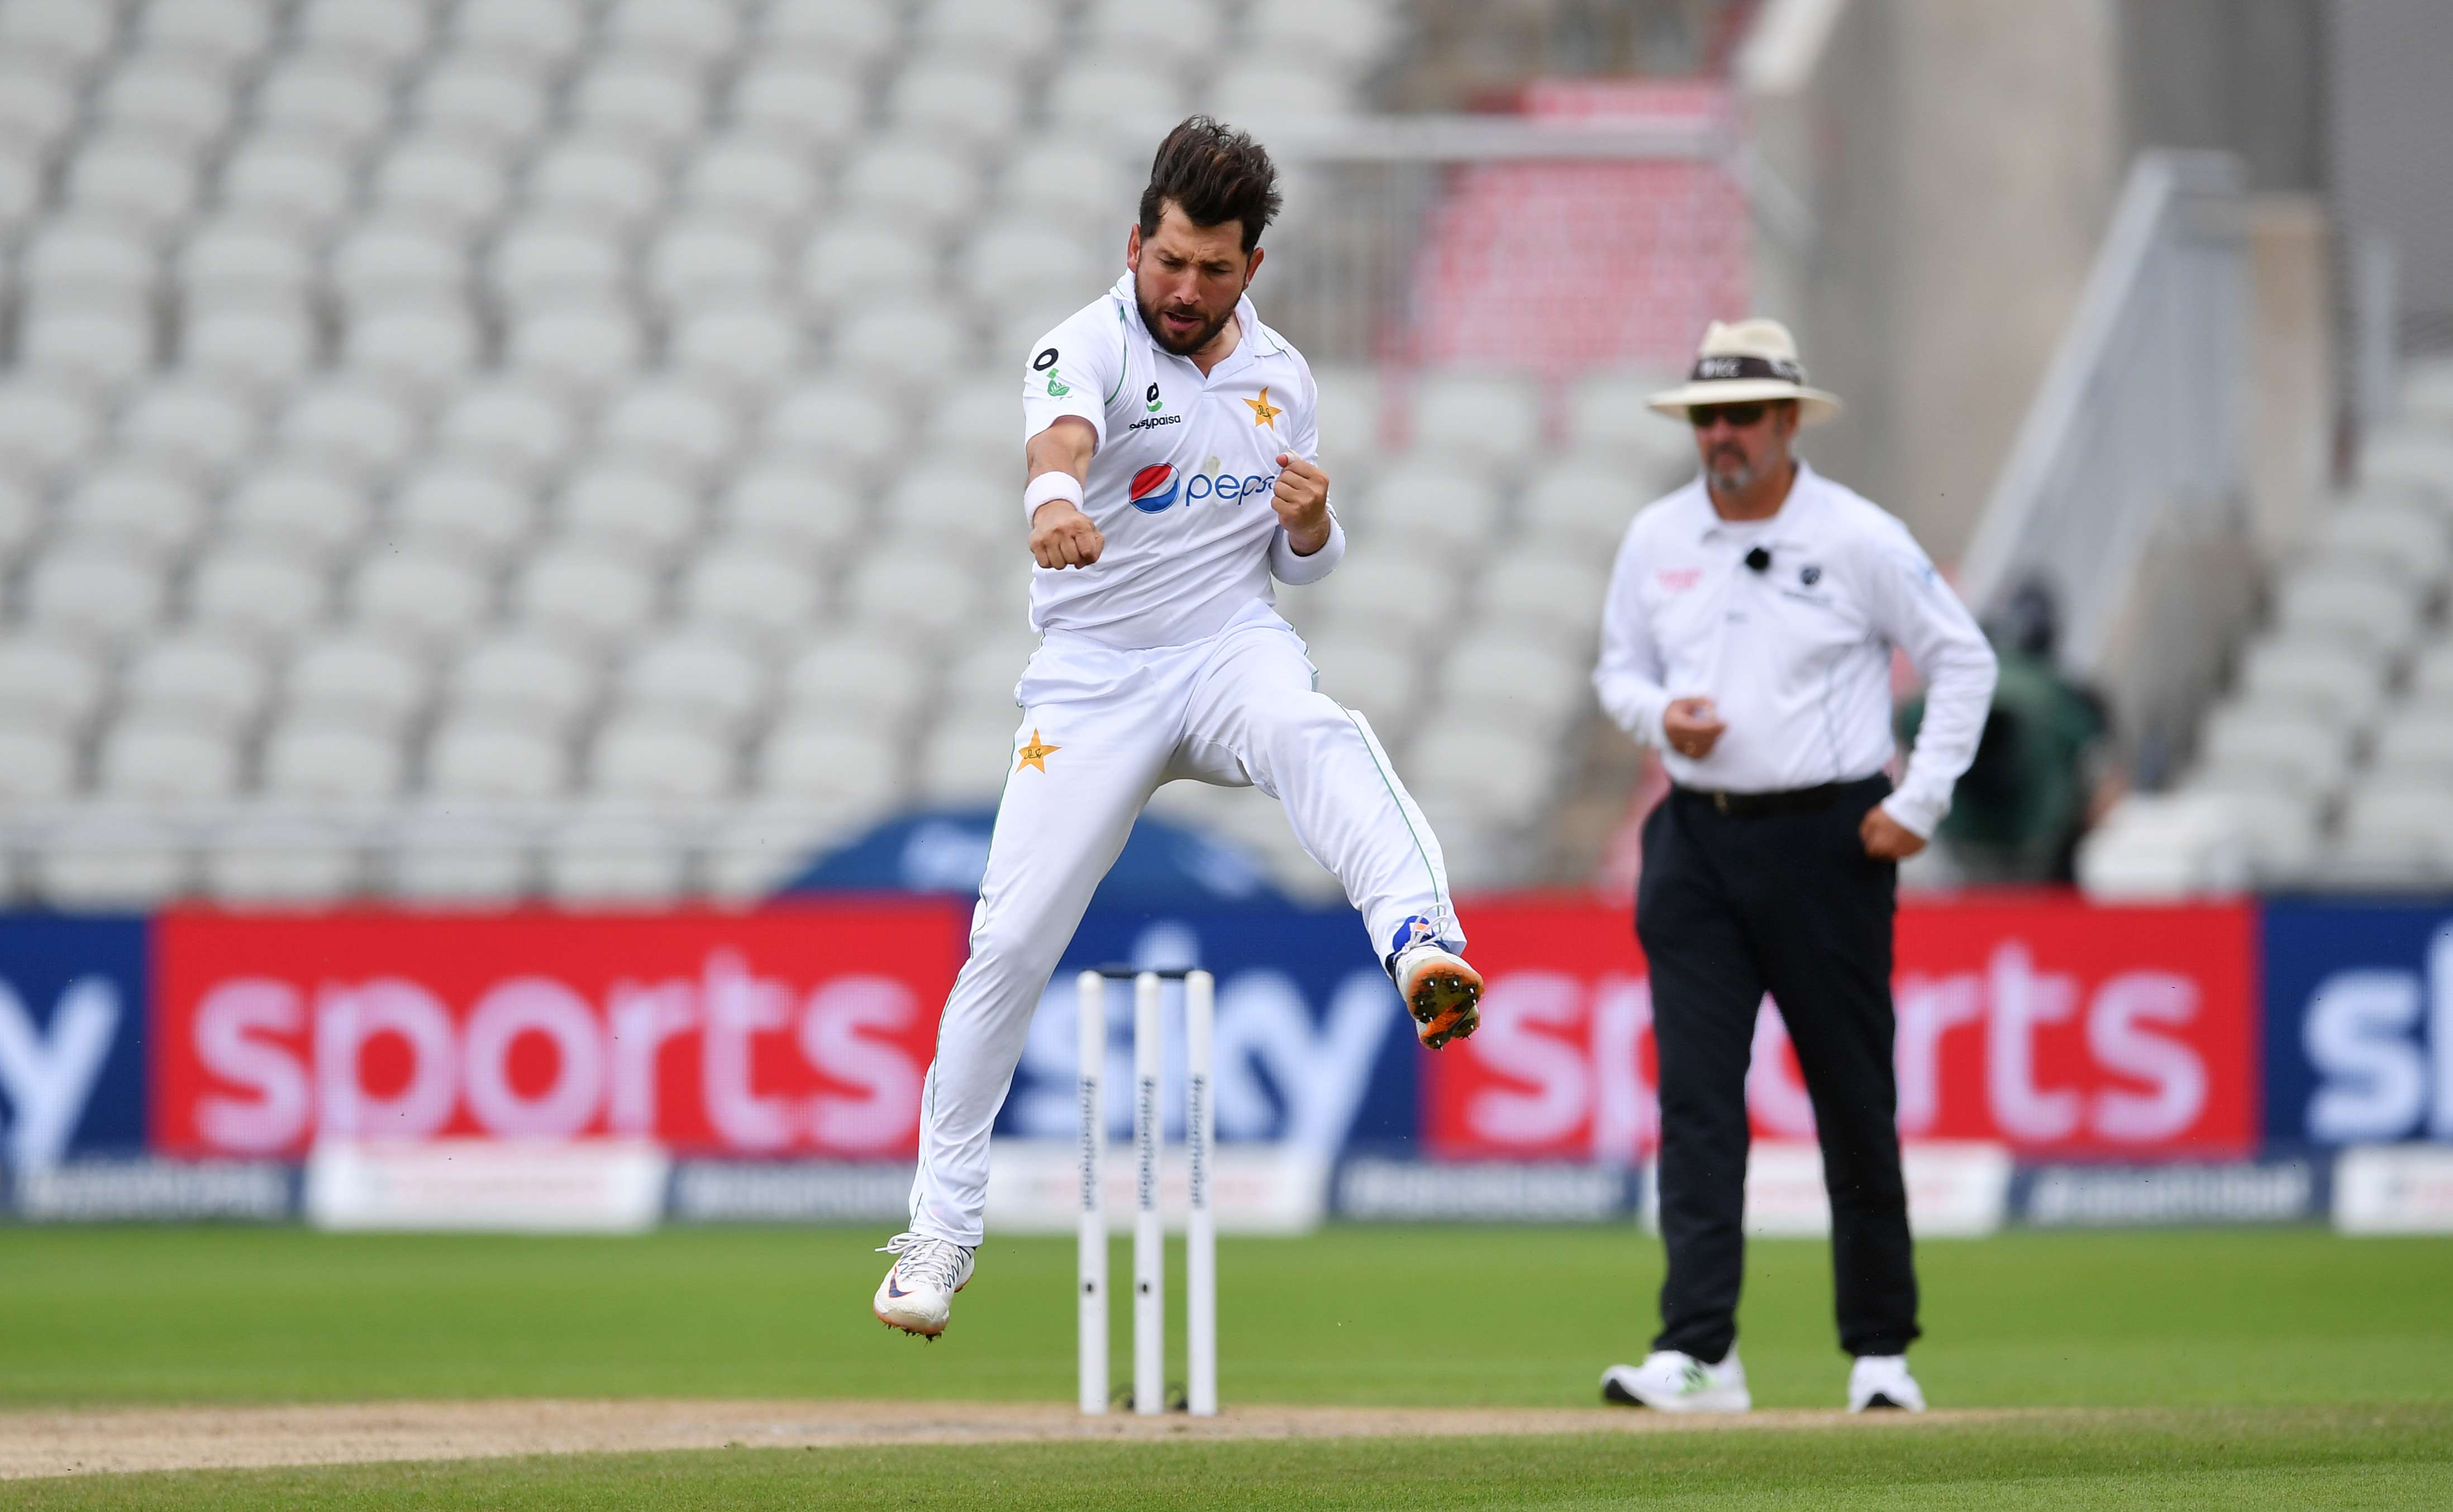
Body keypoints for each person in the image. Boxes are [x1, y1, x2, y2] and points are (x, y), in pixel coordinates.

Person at [872, 118, 1483, 1338]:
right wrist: (1053, 502)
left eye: (1214, 269)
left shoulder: (1284, 379)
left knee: (1319, 729)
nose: (1186, 291)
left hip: (1225, 646)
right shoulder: (1082, 343)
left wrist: (1314, 529)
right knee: (1009, 943)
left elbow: (1299, 563)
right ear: (1135, 241)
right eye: (1169, 262)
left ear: (1254, 266)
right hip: (1094, 678)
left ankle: (1421, 941)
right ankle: (940, 1232)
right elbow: (1061, 441)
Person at [1589, 319, 1997, 1413]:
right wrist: (1659, 715)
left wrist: (1920, 800)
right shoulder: (1656, 536)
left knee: (1851, 1094)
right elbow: (1618, 672)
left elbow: (1964, 656)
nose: (1721, 435)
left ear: (1788, 421)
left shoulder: (1857, 535)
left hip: (1831, 838)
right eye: (1706, 417)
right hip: (1696, 839)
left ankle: (1879, 1354)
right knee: (1698, 1102)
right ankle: (1701, 1353)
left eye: (1742, 416)